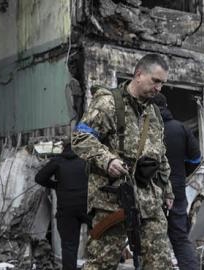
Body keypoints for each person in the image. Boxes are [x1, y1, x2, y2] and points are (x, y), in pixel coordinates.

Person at [71, 54, 174, 270]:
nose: (159, 88)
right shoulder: (108, 102)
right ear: (139, 75)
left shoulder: (153, 112)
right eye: (155, 81)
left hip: (148, 200)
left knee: (161, 263)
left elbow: (160, 155)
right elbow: (80, 138)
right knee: (101, 263)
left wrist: (167, 190)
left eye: (162, 83)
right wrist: (107, 160)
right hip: (113, 199)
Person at [152, 93, 201, 270]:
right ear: (166, 106)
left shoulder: (145, 131)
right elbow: (196, 158)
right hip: (177, 190)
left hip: (150, 193)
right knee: (180, 238)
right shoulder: (181, 128)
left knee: (150, 240)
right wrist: (182, 174)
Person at [35, 144, 88, 270]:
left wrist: (56, 185)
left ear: (64, 148)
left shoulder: (58, 161)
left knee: (69, 246)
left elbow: (39, 178)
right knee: (98, 239)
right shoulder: (86, 160)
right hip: (87, 208)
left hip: (66, 210)